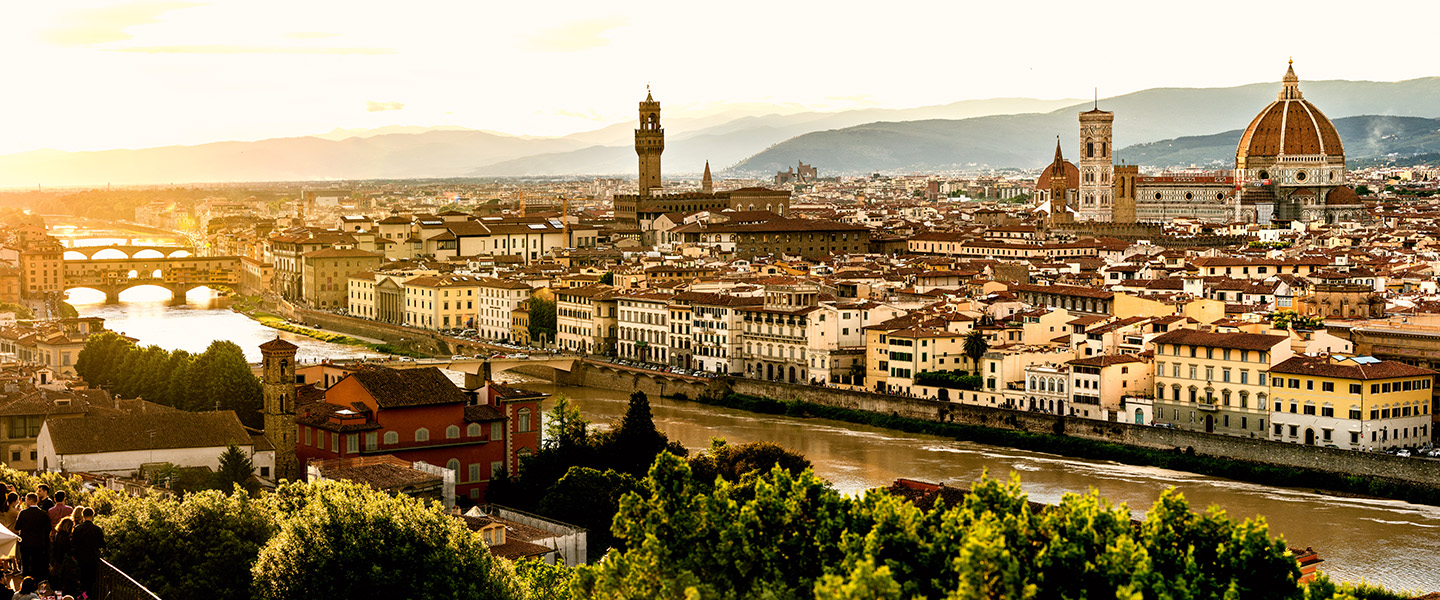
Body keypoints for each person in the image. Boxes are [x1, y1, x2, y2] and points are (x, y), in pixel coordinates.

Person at [13, 495, 48, 583]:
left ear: (29, 500)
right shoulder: (43, 513)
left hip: (25, 542)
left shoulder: (23, 513)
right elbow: (47, 528)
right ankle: (35, 582)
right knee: (36, 564)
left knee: (25, 563)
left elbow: (17, 527)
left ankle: (25, 582)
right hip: (38, 543)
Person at [71, 508, 104, 600]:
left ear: (83, 515)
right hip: (93, 559)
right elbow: (102, 544)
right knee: (90, 581)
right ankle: (87, 597)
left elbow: (73, 544)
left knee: (81, 580)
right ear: (93, 515)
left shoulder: (77, 529)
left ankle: (80, 596)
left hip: (80, 559)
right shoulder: (97, 529)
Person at [50, 518, 75, 596]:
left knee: (57, 582)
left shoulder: (57, 535)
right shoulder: (67, 538)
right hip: (63, 562)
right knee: (63, 582)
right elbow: (68, 551)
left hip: (57, 560)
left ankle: (57, 596)